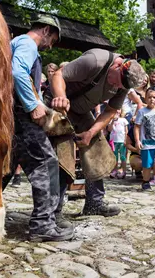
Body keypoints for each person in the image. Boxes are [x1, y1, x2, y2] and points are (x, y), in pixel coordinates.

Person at [0, 15, 74, 242]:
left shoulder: (14, 44)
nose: (51, 45)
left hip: (8, 114)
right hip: (21, 115)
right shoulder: (27, 44)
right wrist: (33, 105)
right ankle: (43, 225)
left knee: (4, 168)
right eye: (53, 39)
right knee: (46, 163)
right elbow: (17, 72)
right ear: (45, 30)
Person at [48, 48, 147, 219]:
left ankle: (94, 203)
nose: (116, 87)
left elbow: (110, 110)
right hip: (59, 104)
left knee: (96, 147)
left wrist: (91, 132)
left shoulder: (124, 83)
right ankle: (54, 211)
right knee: (64, 154)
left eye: (120, 87)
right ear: (117, 65)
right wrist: (61, 98)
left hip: (81, 111)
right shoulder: (95, 60)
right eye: (117, 83)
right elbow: (58, 75)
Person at [109, 109, 129, 179]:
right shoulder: (110, 120)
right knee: (115, 157)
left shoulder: (123, 120)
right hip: (113, 141)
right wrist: (112, 121)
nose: (117, 111)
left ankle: (123, 170)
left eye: (119, 109)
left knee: (123, 156)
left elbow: (126, 131)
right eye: (116, 109)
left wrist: (125, 140)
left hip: (121, 141)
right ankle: (114, 170)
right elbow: (109, 129)